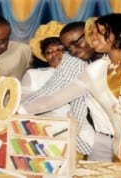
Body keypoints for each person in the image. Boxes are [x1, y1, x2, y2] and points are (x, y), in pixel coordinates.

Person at [19, 13, 121, 177]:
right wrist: (16, 111)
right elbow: (53, 99)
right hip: (120, 154)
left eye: (99, 31)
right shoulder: (95, 69)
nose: (92, 36)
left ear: (119, 33)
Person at [21, 21, 107, 161]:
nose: (73, 51)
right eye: (69, 47)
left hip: (116, 132)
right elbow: (53, 93)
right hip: (83, 134)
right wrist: (19, 110)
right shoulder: (75, 61)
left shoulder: (110, 61)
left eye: (61, 49)